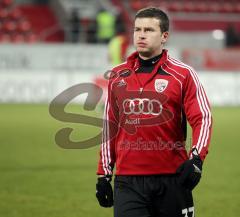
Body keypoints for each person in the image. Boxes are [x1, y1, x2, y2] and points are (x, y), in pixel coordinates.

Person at [96, 7, 212, 217]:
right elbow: (109, 126)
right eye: (137, 29)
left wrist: (196, 159)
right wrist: (104, 174)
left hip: (172, 178)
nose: (141, 34)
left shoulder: (183, 74)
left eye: (149, 30)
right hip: (128, 181)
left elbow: (202, 118)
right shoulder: (117, 75)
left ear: (164, 36)